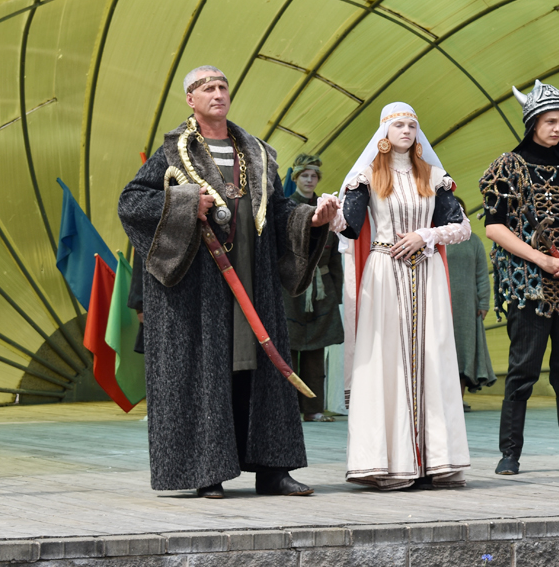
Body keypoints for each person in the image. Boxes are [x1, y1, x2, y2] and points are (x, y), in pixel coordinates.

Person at [118, 65, 339, 498]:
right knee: (207, 371)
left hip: (253, 277)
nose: (218, 93)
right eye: (208, 88)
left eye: (223, 87)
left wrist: (310, 219)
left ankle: (273, 471)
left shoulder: (257, 153)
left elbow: (277, 211)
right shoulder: (174, 152)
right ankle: (207, 472)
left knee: (262, 368)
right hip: (198, 285)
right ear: (191, 100)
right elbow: (132, 202)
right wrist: (185, 201)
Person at [336, 103, 472, 489]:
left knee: (433, 357)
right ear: (384, 131)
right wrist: (330, 213)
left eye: (412, 125)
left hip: (427, 272)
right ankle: (387, 462)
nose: (407, 130)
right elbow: (349, 227)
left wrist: (425, 235)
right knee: (386, 361)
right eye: (399, 124)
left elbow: (462, 227)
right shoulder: (367, 176)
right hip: (383, 270)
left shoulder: (433, 176)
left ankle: (437, 461)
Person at [480, 80, 559, 476]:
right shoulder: (507, 167)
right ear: (532, 123)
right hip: (527, 286)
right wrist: (540, 260)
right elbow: (494, 227)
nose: (557, 128)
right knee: (523, 371)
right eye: (550, 121)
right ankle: (509, 453)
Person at [282, 153, 345, 422]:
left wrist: (336, 292)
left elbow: (335, 256)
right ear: (296, 178)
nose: (309, 180)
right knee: (288, 350)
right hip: (290, 289)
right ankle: (287, 410)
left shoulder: (328, 208)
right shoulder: (285, 207)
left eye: (314, 176)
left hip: (322, 290)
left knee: (316, 351)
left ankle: (313, 409)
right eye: (305, 176)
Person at [446, 196, 496, 409]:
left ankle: (458, 399)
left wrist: (483, 303)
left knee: (464, 352)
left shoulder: (473, 241)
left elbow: (482, 274)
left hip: (467, 308)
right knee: (443, 351)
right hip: (441, 306)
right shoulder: (434, 239)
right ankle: (441, 400)